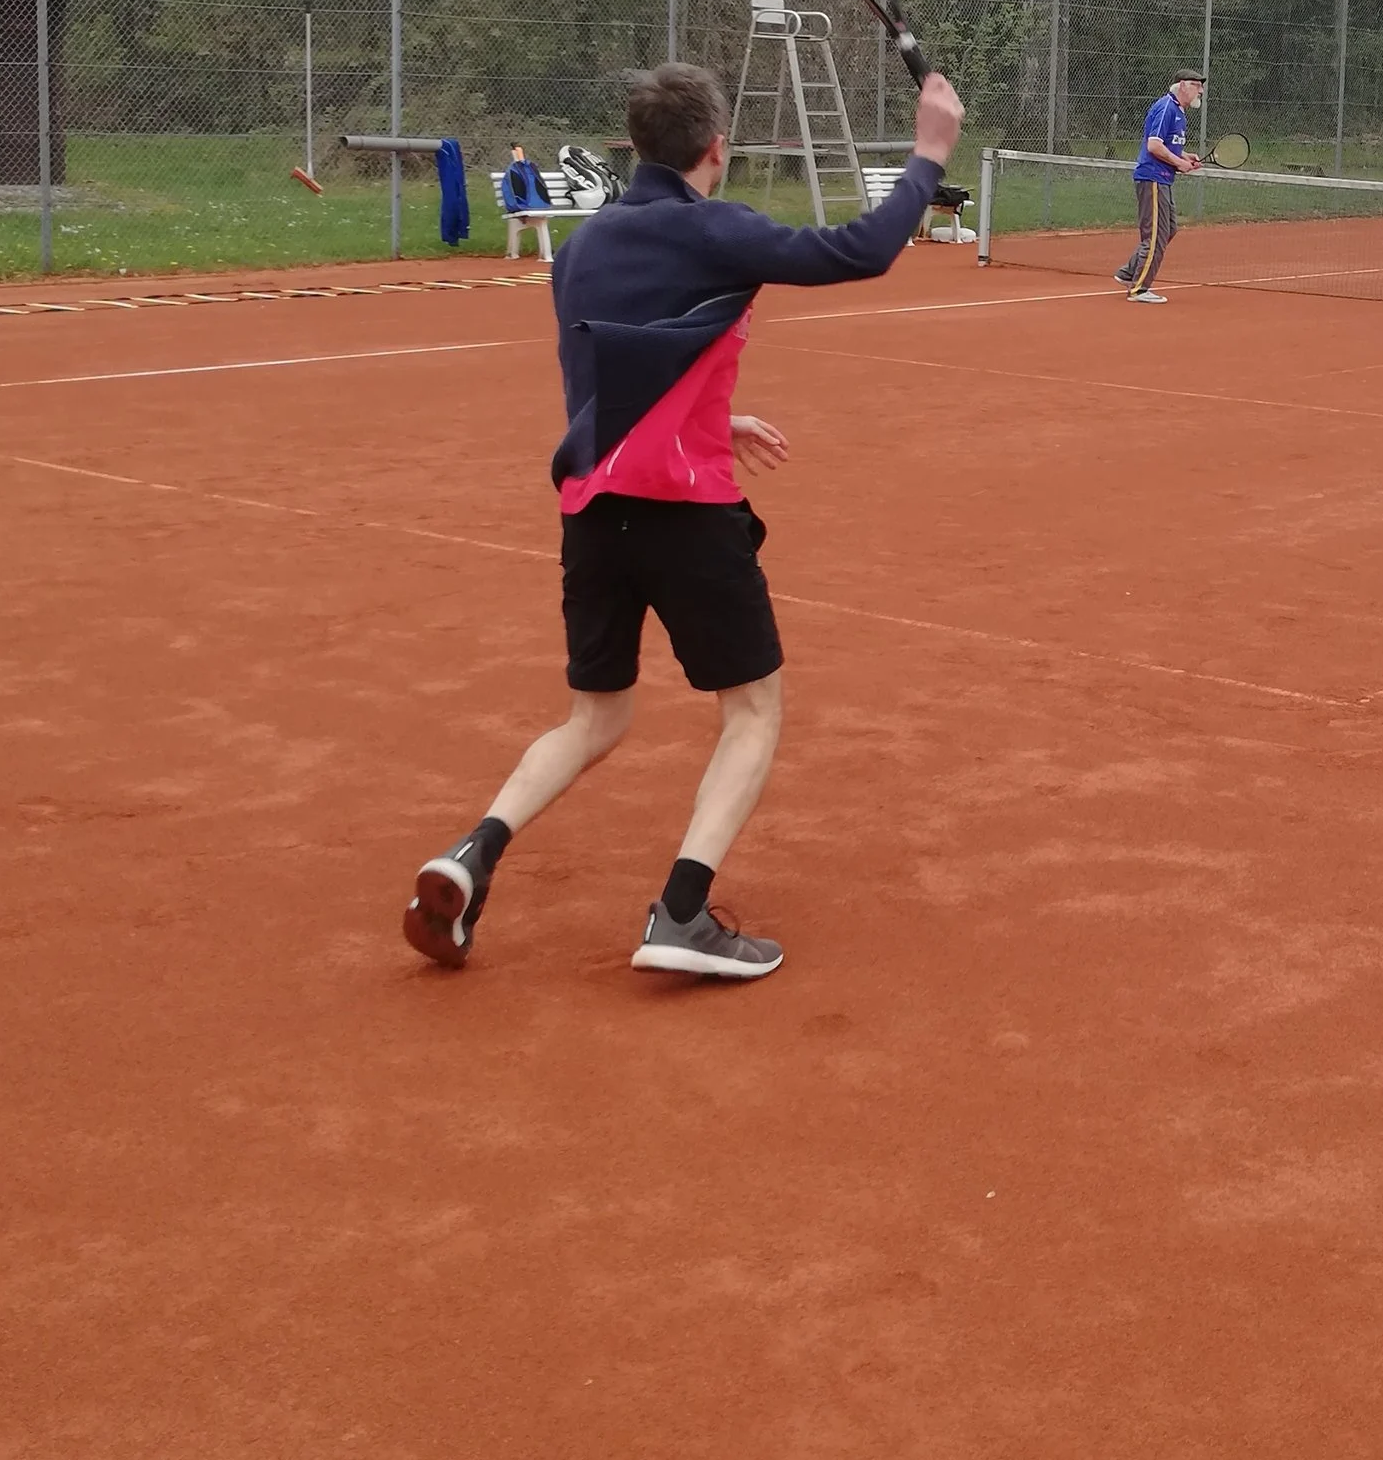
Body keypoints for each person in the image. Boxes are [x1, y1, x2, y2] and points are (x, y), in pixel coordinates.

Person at [403, 56, 966, 979]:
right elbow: (861, 250)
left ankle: (471, 853)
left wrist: (714, 412)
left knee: (594, 716)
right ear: (717, 148)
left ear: (636, 146)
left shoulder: (583, 246)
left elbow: (604, 378)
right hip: (685, 512)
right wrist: (927, 154)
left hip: (593, 510)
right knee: (751, 710)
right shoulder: (715, 230)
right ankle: (683, 911)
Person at [1116, 65, 1204, 304]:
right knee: (1155, 236)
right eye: (1196, 86)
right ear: (1183, 86)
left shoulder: (1178, 111)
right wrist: (1179, 163)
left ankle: (1128, 271)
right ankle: (1139, 289)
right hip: (1152, 178)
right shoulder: (1166, 107)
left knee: (1169, 228)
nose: (1201, 91)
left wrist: (1184, 157)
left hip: (1162, 178)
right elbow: (1153, 145)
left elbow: (1166, 144)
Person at [499, 143, 554, 263]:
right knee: (540, 221)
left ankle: (545, 255)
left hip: (535, 206)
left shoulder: (526, 168)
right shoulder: (516, 169)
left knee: (541, 220)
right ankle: (544, 255)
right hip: (522, 207)